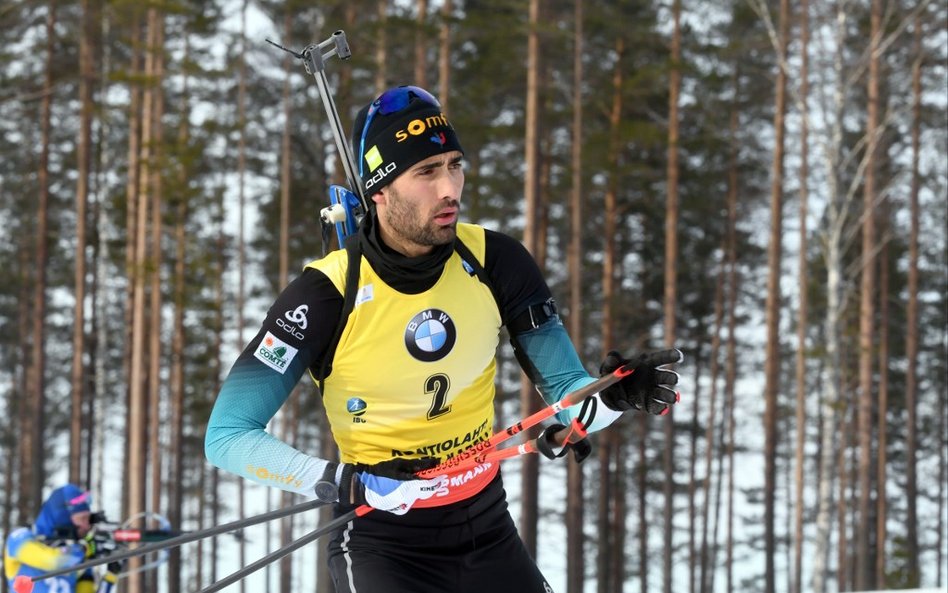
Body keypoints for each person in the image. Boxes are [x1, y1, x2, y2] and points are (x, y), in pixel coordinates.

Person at [205, 84, 683, 592]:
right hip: (380, 540)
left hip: (485, 528)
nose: (449, 187)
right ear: (379, 189)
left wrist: (610, 395)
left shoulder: (495, 260)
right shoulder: (324, 294)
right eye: (427, 172)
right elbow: (228, 435)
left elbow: (566, 396)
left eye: (455, 165)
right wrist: (346, 480)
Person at [3, 484, 104, 593]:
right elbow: (51, 560)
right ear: (63, 516)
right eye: (82, 518)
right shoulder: (19, 537)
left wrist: (111, 575)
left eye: (88, 519)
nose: (87, 525)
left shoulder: (76, 556)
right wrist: (84, 549)